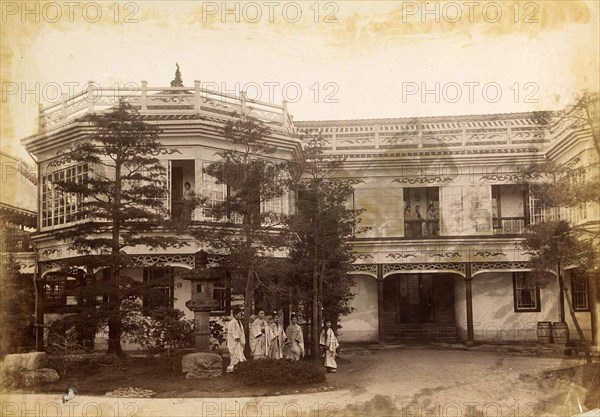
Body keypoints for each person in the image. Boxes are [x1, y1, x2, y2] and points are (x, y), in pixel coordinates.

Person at [226, 308, 246, 372]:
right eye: (240, 314)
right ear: (235, 315)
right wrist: (239, 340)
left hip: (239, 342)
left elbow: (241, 333)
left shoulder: (239, 322)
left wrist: (242, 341)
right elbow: (233, 333)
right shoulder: (232, 323)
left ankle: (238, 367)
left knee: (239, 355)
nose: (241, 315)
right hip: (235, 342)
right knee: (235, 355)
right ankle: (231, 368)